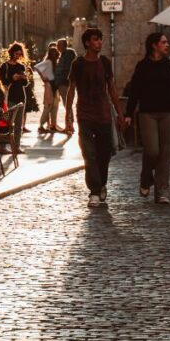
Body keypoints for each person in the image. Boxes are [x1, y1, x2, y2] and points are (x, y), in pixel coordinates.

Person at [124, 32, 170, 205]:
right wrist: (128, 113)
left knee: (165, 153)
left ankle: (162, 191)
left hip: (169, 112)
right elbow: (134, 90)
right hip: (148, 113)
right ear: (154, 45)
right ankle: (146, 177)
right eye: (164, 42)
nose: (167, 45)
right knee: (152, 150)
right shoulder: (143, 66)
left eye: (167, 42)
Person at [65, 27, 125, 208]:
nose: (99, 42)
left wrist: (120, 112)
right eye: (95, 39)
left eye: (100, 39)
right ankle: (94, 191)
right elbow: (71, 89)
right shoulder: (78, 64)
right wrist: (68, 115)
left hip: (104, 115)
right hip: (84, 114)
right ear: (87, 43)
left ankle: (101, 184)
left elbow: (112, 88)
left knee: (103, 154)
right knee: (89, 153)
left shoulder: (105, 63)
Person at [0, 42, 32, 147]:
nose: (18, 56)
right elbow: (2, 82)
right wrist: (12, 78)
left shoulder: (21, 66)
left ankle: (16, 146)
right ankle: (3, 146)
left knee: (19, 124)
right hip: (9, 97)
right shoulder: (5, 66)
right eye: (16, 54)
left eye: (19, 54)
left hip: (21, 97)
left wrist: (24, 78)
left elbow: (25, 84)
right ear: (11, 53)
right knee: (8, 123)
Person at [52, 37, 76, 131]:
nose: (57, 47)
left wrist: (59, 77)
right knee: (67, 104)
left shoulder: (67, 54)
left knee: (67, 104)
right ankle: (70, 125)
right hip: (63, 82)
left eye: (58, 45)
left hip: (65, 82)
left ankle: (69, 125)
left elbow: (66, 68)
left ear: (63, 45)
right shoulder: (63, 54)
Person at [36, 44, 60, 134]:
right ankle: (41, 126)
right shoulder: (48, 62)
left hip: (54, 86)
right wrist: (43, 77)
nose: (55, 55)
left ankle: (53, 125)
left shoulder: (55, 62)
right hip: (49, 85)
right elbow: (37, 67)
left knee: (55, 106)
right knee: (48, 105)